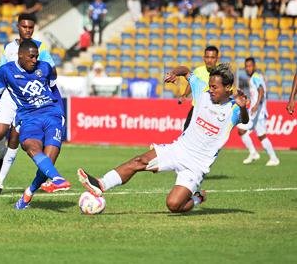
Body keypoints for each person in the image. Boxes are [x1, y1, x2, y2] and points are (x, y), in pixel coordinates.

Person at [78, 63, 249, 213]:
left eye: (215, 87)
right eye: (210, 86)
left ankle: (197, 199)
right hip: (179, 149)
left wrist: (242, 108)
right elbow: (186, 71)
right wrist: (175, 72)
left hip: (197, 165)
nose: (210, 90)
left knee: (173, 205)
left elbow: (245, 120)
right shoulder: (202, 91)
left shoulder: (233, 109)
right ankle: (101, 184)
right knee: (140, 160)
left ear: (227, 88)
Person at [0, 39, 70, 209]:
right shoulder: (5, 71)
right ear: (20, 55)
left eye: (36, 57)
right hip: (29, 117)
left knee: (48, 161)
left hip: (52, 114)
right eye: (31, 57)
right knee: (29, 145)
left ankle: (29, 194)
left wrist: (61, 113)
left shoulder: (45, 67)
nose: (34, 60)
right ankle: (57, 179)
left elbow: (54, 89)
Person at [0, 13, 56, 194]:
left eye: (31, 27)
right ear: (18, 27)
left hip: (29, 100)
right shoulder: (8, 48)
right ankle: (0, 156)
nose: (28, 30)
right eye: (25, 27)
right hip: (9, 96)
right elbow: (0, 73)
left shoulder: (41, 48)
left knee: (15, 140)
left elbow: (50, 71)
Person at [238, 57, 280, 166]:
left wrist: (256, 105)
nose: (248, 68)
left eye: (250, 66)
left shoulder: (256, 77)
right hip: (255, 113)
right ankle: (257, 154)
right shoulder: (254, 78)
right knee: (247, 132)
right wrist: (250, 101)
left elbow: (261, 90)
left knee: (252, 133)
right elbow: (257, 93)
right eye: (246, 66)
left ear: (254, 66)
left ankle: (270, 157)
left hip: (259, 113)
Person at [179, 46, 219, 130]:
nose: (209, 60)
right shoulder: (198, 71)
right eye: (207, 57)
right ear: (204, 58)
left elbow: (228, 92)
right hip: (196, 110)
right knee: (186, 133)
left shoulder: (222, 74)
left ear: (217, 58)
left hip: (212, 112)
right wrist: (185, 94)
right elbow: (191, 83)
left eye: (212, 57)